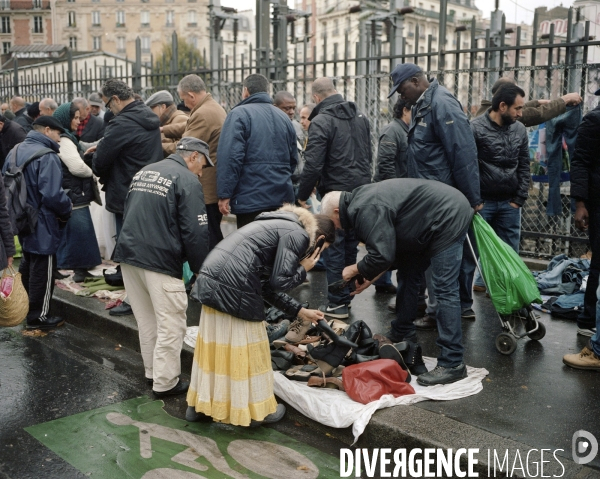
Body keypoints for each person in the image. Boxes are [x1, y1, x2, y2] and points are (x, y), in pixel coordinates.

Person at [186, 205, 335, 425]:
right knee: (250, 351)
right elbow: (280, 282)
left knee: (214, 349)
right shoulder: (299, 234)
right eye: (322, 249)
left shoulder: (276, 223)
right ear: (320, 239)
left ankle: (199, 406)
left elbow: (266, 287)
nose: (318, 254)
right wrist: (304, 268)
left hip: (212, 280)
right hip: (236, 286)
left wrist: (300, 311)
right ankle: (257, 412)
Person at [320, 179, 473, 385]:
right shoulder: (361, 202)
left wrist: (353, 269)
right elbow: (389, 252)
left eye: (333, 222)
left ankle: (453, 363)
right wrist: (369, 278)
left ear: (338, 211)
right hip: (426, 223)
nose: (336, 229)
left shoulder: (364, 208)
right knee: (409, 274)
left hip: (447, 216)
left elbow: (382, 256)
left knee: (445, 288)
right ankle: (403, 332)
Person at [113, 137, 211, 397]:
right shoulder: (187, 180)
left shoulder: (146, 171)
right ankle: (166, 382)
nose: (202, 172)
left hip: (129, 255)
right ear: (192, 157)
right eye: (203, 165)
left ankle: (153, 373)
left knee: (147, 321)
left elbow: (128, 210)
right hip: (159, 260)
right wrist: (201, 268)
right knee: (171, 323)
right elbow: (196, 231)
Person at [390, 63, 482, 327]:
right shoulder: (423, 103)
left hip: (444, 201)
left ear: (417, 81)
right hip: (429, 198)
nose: (400, 95)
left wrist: (472, 198)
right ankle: (434, 313)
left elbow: (463, 152)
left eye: (402, 88)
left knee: (444, 268)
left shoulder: (442, 103)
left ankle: (443, 322)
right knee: (428, 264)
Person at [297, 77, 372, 319]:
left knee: (334, 246)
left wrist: (302, 194)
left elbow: (313, 163)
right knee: (350, 246)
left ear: (316, 98)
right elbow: (368, 155)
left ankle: (338, 303)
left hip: (334, 194)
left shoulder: (321, 120)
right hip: (360, 191)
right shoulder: (360, 117)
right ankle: (346, 296)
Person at [92, 79, 163, 316]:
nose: (107, 110)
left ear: (116, 99)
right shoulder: (146, 114)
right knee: (144, 248)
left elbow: (101, 162)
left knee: (130, 251)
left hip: (126, 192)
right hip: (149, 190)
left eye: (106, 104)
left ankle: (134, 301)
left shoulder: (121, 122)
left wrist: (99, 157)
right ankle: (143, 295)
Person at [2, 116, 72, 330]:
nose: (59, 139)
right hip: (43, 220)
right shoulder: (47, 156)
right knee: (44, 267)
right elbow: (52, 195)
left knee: (29, 261)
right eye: (58, 133)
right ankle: (38, 317)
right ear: (48, 130)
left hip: (21, 217)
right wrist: (67, 207)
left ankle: (25, 308)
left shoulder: (15, 150)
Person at [468, 83, 530, 294]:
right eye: (517, 109)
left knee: (509, 254)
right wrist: (475, 200)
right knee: (472, 255)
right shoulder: (475, 128)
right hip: (482, 204)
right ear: (502, 106)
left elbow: (524, 165)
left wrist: (518, 199)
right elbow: (469, 168)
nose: (521, 114)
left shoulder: (519, 130)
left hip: (509, 204)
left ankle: (506, 298)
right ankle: (464, 303)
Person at [217, 74, 297, 229]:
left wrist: (225, 194)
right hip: (282, 197)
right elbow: (293, 159)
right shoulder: (284, 118)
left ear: (245, 91)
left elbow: (230, 158)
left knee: (252, 248)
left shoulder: (238, 114)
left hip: (250, 199)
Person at [163, 75, 226, 250]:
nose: (184, 103)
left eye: (184, 99)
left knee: (206, 235)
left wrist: (158, 144)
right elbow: (188, 126)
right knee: (210, 231)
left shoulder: (203, 113)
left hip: (205, 186)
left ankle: (212, 273)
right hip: (211, 183)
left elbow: (184, 148)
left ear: (191, 95)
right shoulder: (211, 107)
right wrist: (162, 129)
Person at [52, 102, 102, 283]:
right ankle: (81, 271)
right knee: (82, 232)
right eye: (75, 118)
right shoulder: (65, 140)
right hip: (74, 193)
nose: (78, 122)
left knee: (68, 233)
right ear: (66, 118)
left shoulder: (66, 138)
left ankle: (57, 268)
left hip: (69, 191)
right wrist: (92, 173)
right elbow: (76, 167)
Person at [569, 88, 600, 339]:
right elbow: (579, 162)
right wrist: (581, 203)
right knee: (599, 263)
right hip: (597, 202)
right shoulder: (594, 120)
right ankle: (588, 318)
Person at [372, 97, 412, 295]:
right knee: (386, 238)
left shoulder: (407, 131)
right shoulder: (392, 131)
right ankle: (382, 281)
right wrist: (397, 192)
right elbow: (386, 164)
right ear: (405, 110)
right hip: (391, 195)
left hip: (400, 194)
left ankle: (384, 280)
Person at [475, 77, 583, 127]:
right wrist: (565, 100)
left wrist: (536, 102)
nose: (519, 112)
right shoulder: (504, 115)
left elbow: (515, 107)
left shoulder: (487, 109)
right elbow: (537, 115)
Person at [145, 90, 188, 157]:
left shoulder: (180, 119)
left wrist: (156, 145)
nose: (151, 112)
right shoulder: (165, 121)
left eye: (152, 108)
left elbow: (183, 147)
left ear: (163, 107)